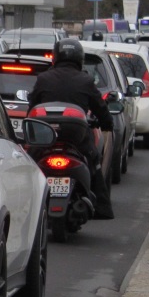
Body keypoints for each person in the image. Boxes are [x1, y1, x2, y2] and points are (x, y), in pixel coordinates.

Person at [29, 38, 116, 219]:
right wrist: (107, 123)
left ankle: (23, 202)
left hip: (47, 134)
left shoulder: (43, 78)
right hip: (76, 135)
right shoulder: (85, 80)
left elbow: (32, 107)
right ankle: (102, 207)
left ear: (56, 57)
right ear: (79, 58)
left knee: (29, 163)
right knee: (95, 163)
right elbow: (101, 108)